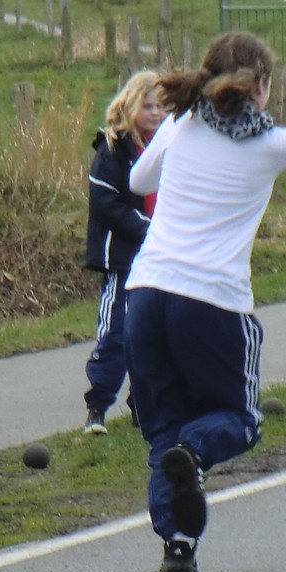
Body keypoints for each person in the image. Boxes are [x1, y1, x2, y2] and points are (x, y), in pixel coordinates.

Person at [123, 30, 286, 572]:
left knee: (165, 431)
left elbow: (139, 180)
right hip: (211, 302)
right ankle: (194, 453)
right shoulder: (268, 143)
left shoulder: (181, 124)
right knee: (238, 418)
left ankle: (178, 544)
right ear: (261, 87)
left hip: (145, 294)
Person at [82, 70, 165, 435]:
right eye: (147, 106)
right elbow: (105, 202)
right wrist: (147, 228)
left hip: (162, 259)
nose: (155, 113)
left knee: (155, 334)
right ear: (129, 107)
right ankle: (98, 406)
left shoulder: (169, 146)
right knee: (117, 334)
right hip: (123, 260)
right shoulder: (112, 148)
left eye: (160, 106)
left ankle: (142, 405)